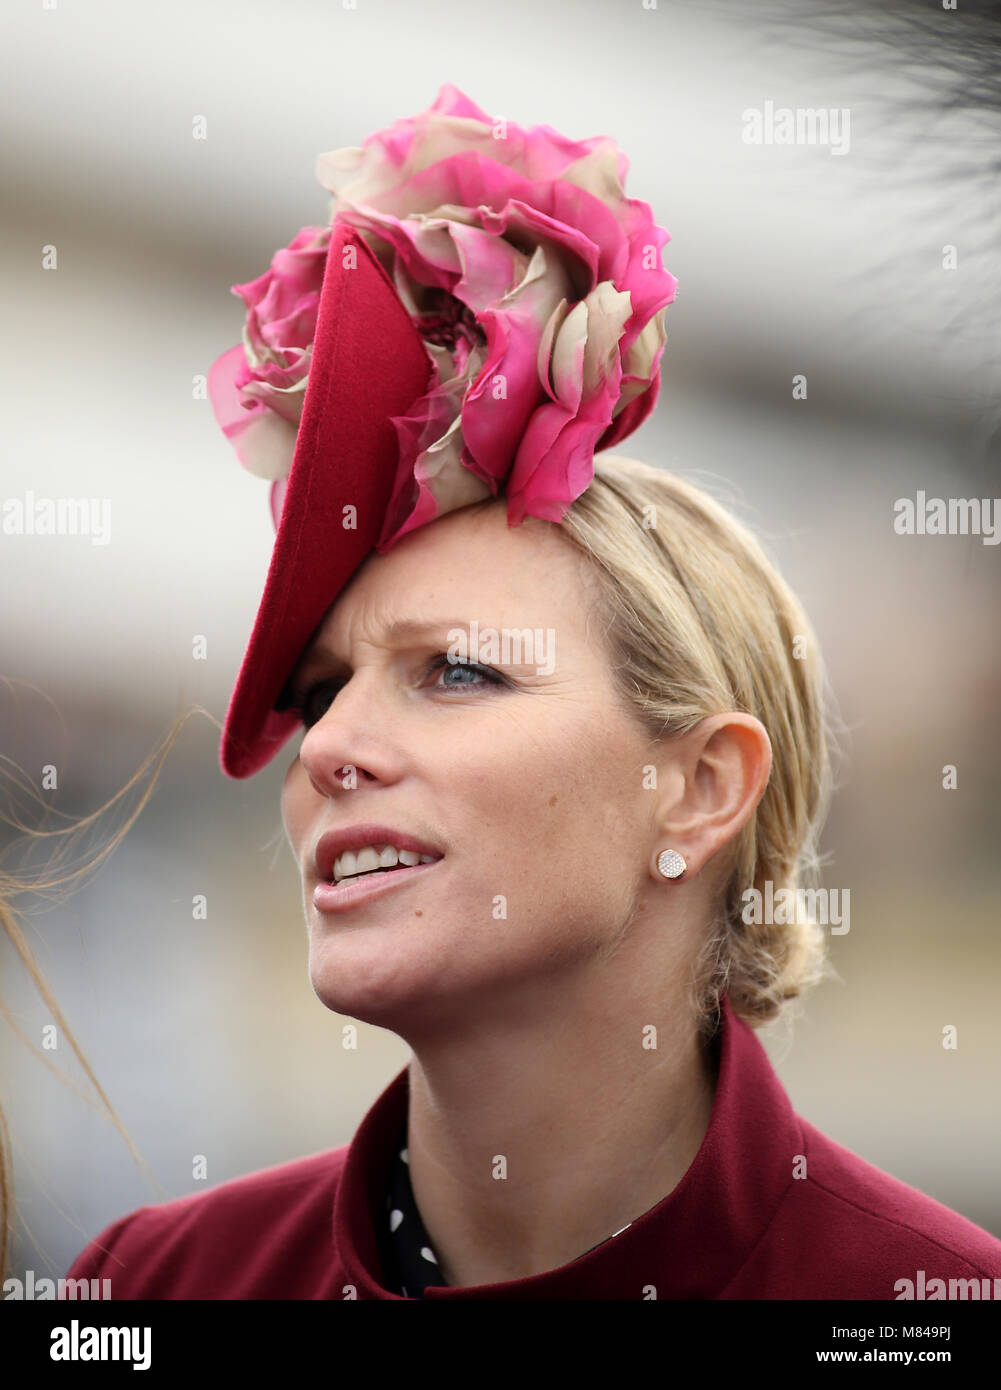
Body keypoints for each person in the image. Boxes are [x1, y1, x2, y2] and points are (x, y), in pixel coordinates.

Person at [60, 85, 1001, 1301]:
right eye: (320, 689)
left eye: (455, 670)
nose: (331, 745)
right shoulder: (147, 1291)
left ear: (700, 789)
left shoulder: (923, 1307)